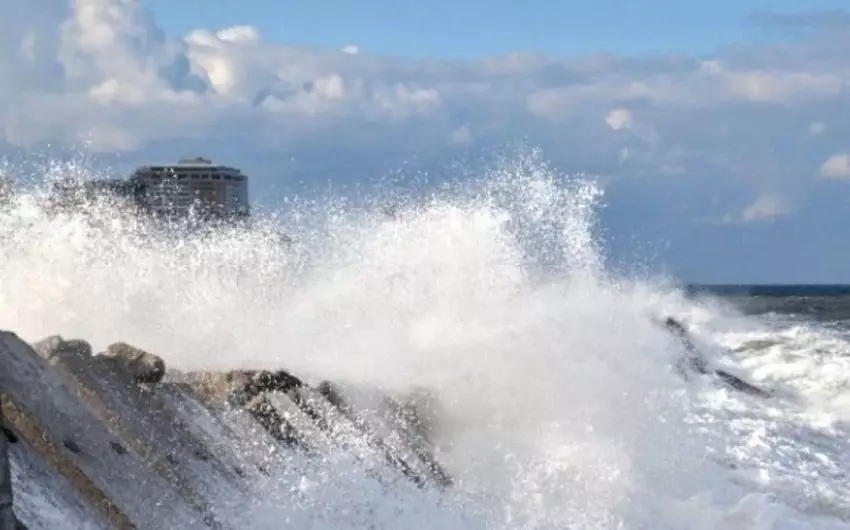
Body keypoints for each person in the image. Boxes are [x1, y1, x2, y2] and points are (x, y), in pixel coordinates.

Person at [659, 316, 770, 398]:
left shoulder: (676, 342)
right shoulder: (679, 341)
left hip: (699, 369)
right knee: (724, 380)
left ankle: (758, 394)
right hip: (700, 369)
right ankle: (758, 394)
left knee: (723, 380)